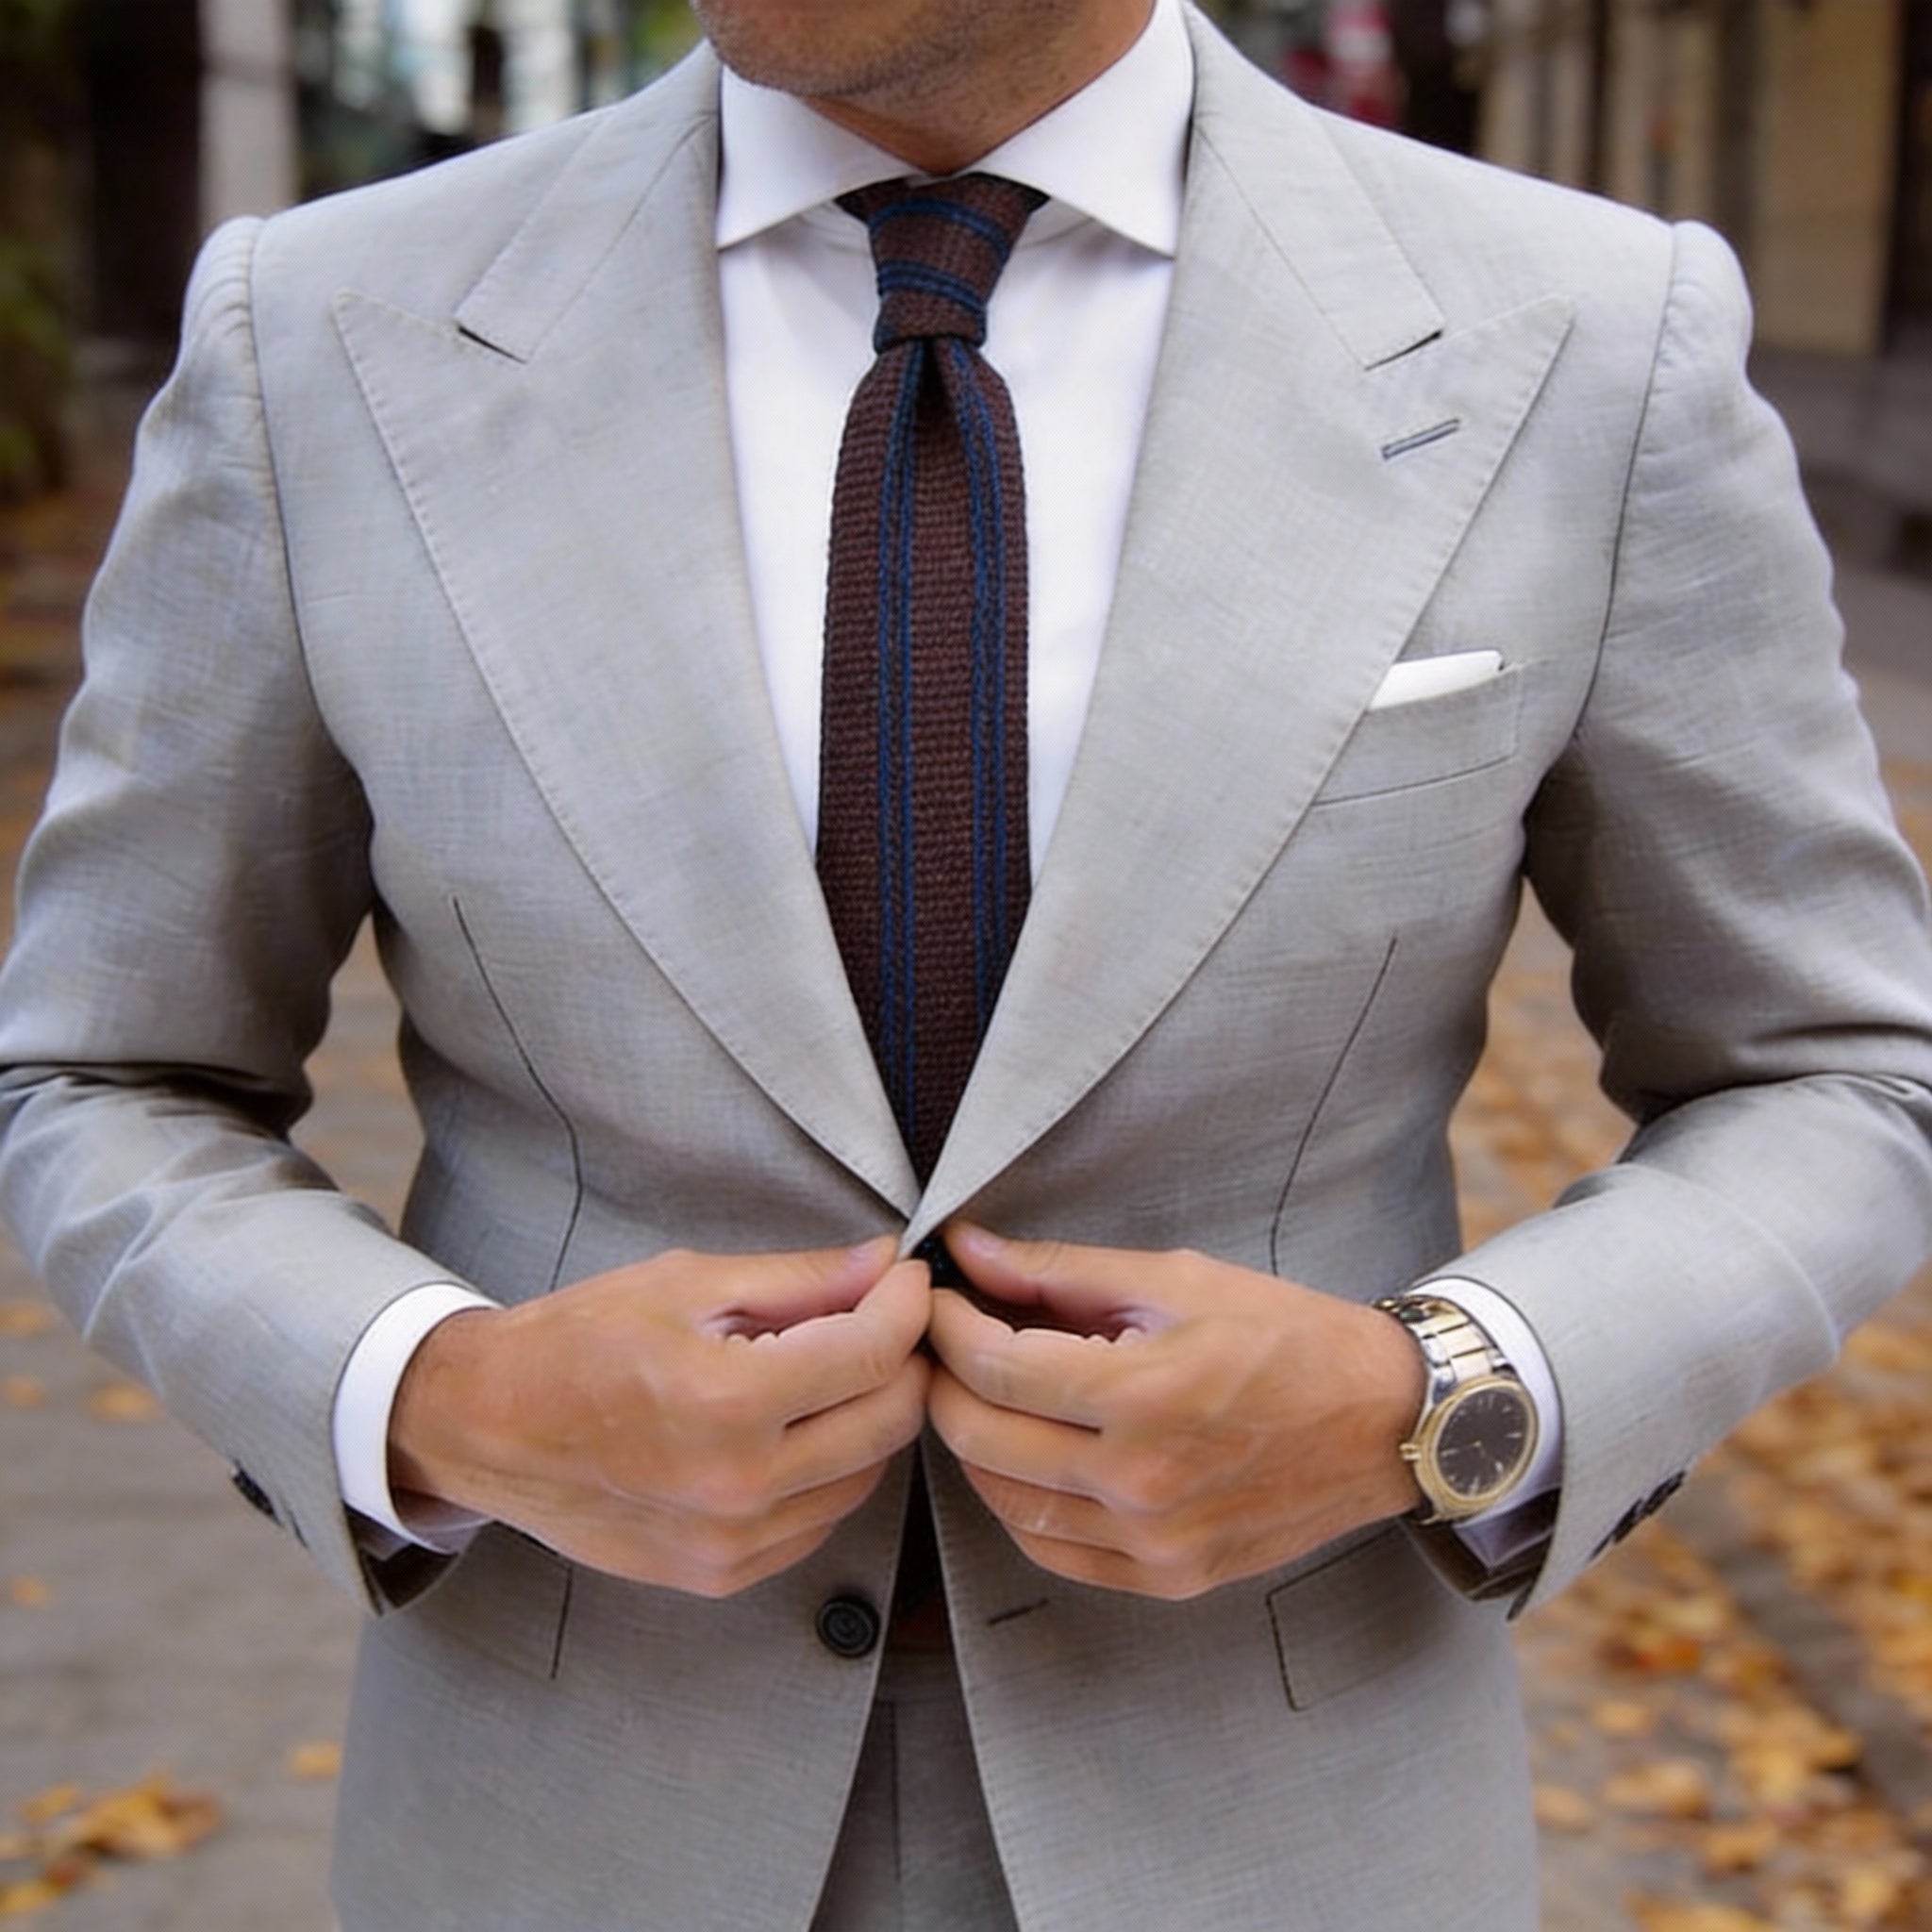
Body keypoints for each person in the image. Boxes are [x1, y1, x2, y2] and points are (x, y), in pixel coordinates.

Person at [3, 0, 1930, 1925]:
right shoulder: (321, 329)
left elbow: (1833, 1068)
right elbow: (103, 1068)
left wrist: (1431, 1401)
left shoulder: (1587, 334)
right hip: (564, 1815)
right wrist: (438, 1397)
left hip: (1286, 1818)